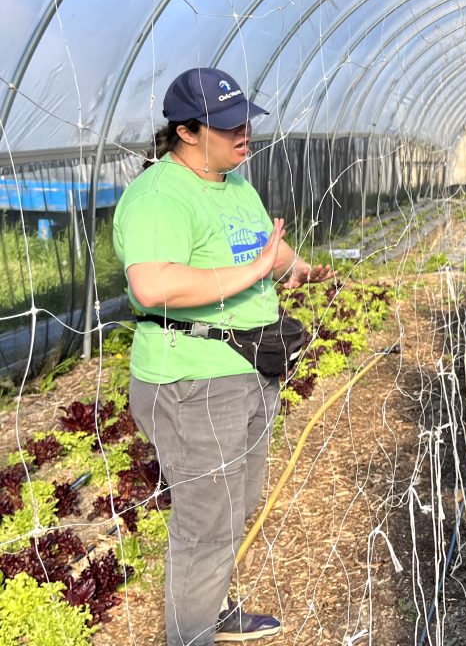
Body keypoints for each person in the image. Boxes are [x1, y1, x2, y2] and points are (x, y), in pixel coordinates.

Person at [113, 67, 334, 646]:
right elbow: (154, 286)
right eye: (228, 125)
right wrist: (258, 271)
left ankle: (211, 607)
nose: (245, 134)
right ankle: (190, 636)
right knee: (206, 522)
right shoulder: (158, 196)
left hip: (248, 369)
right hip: (193, 380)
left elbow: (265, 244)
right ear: (186, 131)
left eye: (247, 121)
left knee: (236, 505)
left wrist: (299, 268)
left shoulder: (233, 182)